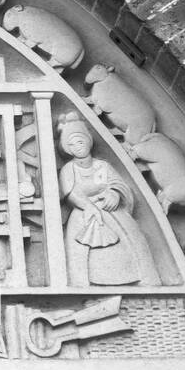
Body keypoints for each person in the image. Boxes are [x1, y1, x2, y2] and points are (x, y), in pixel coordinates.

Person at [57, 112, 158, 286]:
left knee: (132, 239)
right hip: (84, 215)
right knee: (80, 251)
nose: (77, 147)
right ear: (67, 148)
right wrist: (88, 206)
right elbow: (71, 192)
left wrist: (114, 193)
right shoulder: (69, 169)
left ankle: (142, 279)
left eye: (80, 141)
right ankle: (83, 285)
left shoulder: (101, 166)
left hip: (111, 213)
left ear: (88, 141)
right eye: (72, 145)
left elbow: (116, 183)